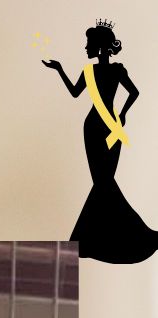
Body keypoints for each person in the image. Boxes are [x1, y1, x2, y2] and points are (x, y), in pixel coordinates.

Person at [45, 20, 158, 263]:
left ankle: (95, 239)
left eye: (89, 44)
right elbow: (76, 92)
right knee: (103, 183)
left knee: (104, 183)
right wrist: (60, 70)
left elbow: (134, 92)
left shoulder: (114, 70)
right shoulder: (93, 71)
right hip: (100, 128)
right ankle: (111, 238)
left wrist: (124, 114)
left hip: (104, 127)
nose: (86, 47)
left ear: (99, 46)